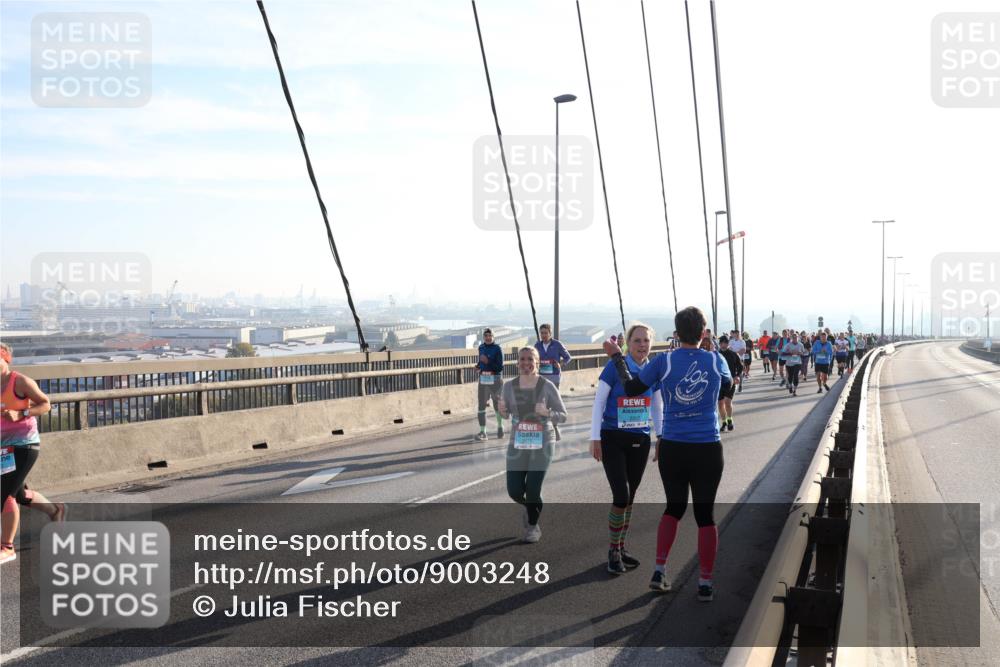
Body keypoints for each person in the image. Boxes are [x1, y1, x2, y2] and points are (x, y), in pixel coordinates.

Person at [603, 306, 732, 601]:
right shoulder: (716, 360)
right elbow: (728, 387)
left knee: (673, 508)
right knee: (705, 516)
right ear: (703, 333)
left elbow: (634, 388)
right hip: (707, 447)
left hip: (673, 446)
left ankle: (659, 570)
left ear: (676, 333)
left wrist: (615, 356)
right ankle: (705, 584)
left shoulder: (664, 360)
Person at [590, 324, 663, 574]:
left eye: (646, 341)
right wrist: (594, 437)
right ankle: (612, 550)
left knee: (630, 498)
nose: (642, 345)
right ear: (628, 344)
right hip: (613, 437)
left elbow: (657, 405)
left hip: (640, 440)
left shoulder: (653, 370)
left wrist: (660, 437)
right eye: (637, 341)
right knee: (621, 496)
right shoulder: (614, 366)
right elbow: (599, 402)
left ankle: (621, 547)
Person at [499, 347, 567, 543]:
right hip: (518, 442)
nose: (526, 363)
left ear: (538, 363)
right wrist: (502, 411)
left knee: (534, 489)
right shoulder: (509, 386)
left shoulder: (547, 386)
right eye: (522, 359)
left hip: (543, 441)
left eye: (530, 359)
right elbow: (506, 414)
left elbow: (563, 415)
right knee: (514, 490)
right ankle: (530, 507)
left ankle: (532, 526)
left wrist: (548, 413)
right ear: (517, 362)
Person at [2, 343, 53, 564]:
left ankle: (7, 547)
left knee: (5, 494)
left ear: (4, 358)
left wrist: (21, 413)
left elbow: (45, 404)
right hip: (3, 448)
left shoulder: (19, 381)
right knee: (20, 494)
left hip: (25, 444)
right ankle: (56, 511)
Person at [475, 329, 505, 442]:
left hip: (495, 380)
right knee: (481, 406)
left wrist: (488, 362)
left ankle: (500, 427)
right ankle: (483, 432)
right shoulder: (481, 347)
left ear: (494, 337)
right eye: (485, 336)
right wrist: (478, 366)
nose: (488, 337)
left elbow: (500, 367)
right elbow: (481, 362)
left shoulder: (498, 348)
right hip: (483, 379)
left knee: (497, 405)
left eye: (490, 335)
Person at [534, 324, 572, 389]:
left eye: (546, 333)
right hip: (541, 376)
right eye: (542, 333)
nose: (543, 335)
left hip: (554, 375)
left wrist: (560, 364)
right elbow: (533, 359)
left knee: (553, 397)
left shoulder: (557, 344)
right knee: (541, 397)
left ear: (550, 333)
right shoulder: (537, 345)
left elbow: (568, 357)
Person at [717, 336, 743, 430]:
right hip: (718, 382)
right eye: (721, 343)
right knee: (720, 403)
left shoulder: (733, 354)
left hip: (730, 381)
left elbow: (740, 366)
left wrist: (737, 376)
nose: (723, 345)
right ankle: (724, 422)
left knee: (727, 402)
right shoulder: (716, 355)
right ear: (719, 344)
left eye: (725, 343)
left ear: (728, 344)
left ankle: (729, 419)